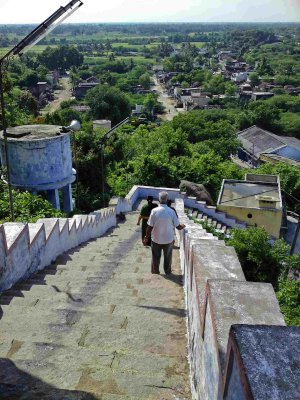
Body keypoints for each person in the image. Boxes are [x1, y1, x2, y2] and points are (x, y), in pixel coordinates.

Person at [143, 191, 185, 275]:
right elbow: (178, 227)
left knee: (155, 257)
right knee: (168, 257)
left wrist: (146, 237)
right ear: (167, 200)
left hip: (156, 239)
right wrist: (183, 226)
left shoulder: (154, 211)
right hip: (168, 240)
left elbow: (149, 227)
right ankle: (167, 272)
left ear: (159, 199)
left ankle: (155, 272)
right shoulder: (172, 211)